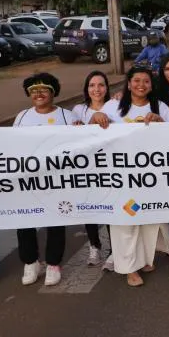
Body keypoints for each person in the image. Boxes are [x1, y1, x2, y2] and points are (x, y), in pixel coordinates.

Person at [101, 66, 169, 287]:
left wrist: (161, 122)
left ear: (152, 85)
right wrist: (96, 116)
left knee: (148, 221)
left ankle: (144, 259)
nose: (141, 85)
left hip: (150, 177)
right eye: (136, 81)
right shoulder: (113, 106)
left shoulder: (160, 107)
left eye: (146, 82)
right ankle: (129, 268)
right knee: (125, 222)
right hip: (120, 178)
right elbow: (95, 132)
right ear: (128, 83)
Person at [12, 72, 77, 287]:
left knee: (56, 220)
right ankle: (31, 262)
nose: (39, 94)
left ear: (53, 92)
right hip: (29, 180)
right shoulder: (22, 117)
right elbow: (11, 146)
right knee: (25, 220)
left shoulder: (67, 116)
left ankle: (53, 264)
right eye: (34, 91)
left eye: (43, 90)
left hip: (58, 179)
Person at [71, 70, 112, 265]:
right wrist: (89, 122)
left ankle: (114, 249)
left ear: (107, 88)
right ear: (87, 89)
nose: (97, 89)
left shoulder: (115, 106)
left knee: (112, 207)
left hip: (111, 165)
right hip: (87, 167)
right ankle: (95, 246)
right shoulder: (78, 110)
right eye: (92, 85)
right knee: (90, 208)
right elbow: (74, 139)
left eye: (101, 85)